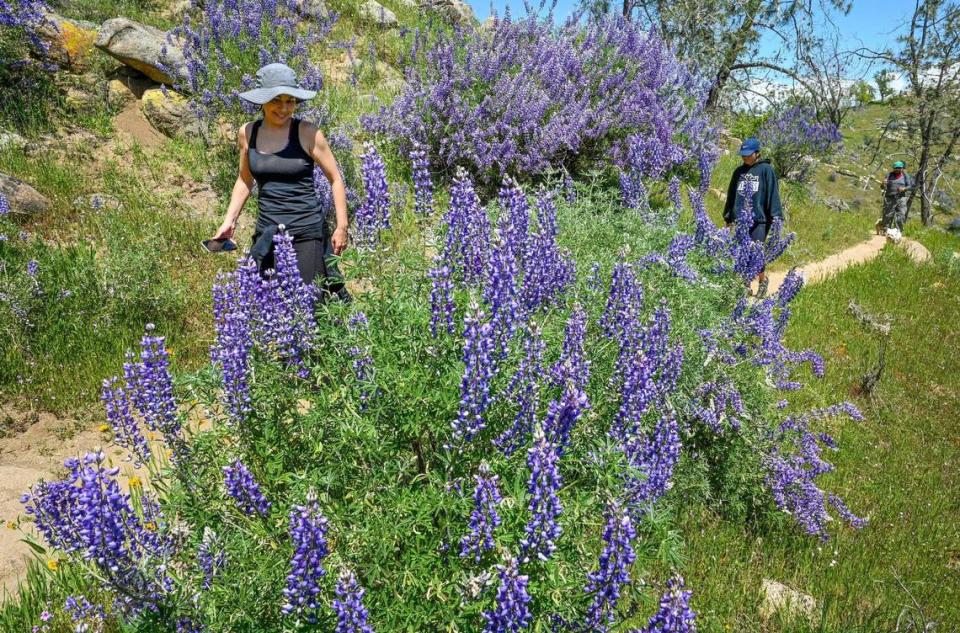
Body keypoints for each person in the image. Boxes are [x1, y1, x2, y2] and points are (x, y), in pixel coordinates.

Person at [211, 62, 350, 301]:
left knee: (310, 306)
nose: (284, 108)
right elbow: (245, 180)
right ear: (263, 100)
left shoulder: (307, 132)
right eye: (277, 100)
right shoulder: (248, 132)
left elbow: (335, 179)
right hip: (268, 232)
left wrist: (342, 226)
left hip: (307, 232)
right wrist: (229, 221)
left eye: (290, 101)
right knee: (268, 305)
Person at [723, 137, 783, 299]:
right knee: (741, 253)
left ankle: (762, 281)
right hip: (740, 220)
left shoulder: (766, 170)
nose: (745, 157)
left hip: (759, 220)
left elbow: (773, 193)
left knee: (756, 254)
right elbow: (731, 195)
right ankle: (745, 285)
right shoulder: (738, 172)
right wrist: (728, 216)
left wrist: (776, 217)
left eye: (748, 154)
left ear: (757, 153)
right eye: (743, 154)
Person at [880, 160, 913, 235]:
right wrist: (883, 183)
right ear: (893, 168)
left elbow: (910, 186)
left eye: (900, 168)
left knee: (901, 214)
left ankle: (898, 231)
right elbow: (882, 186)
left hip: (901, 198)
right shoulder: (889, 175)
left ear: (902, 168)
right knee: (887, 214)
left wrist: (904, 189)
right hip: (889, 197)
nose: (898, 169)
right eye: (896, 168)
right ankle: (886, 230)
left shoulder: (905, 176)